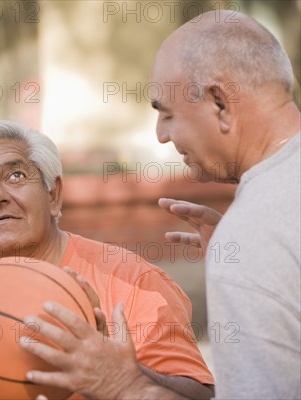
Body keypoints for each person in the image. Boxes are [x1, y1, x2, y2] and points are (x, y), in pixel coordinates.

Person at [19, 10, 301, 399]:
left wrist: (124, 386)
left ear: (219, 102)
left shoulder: (256, 232)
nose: (162, 135)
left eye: (167, 114)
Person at [0, 120, 215, 400]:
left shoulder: (131, 280)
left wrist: (122, 377)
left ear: (54, 195)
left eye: (16, 176)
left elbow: (201, 396)